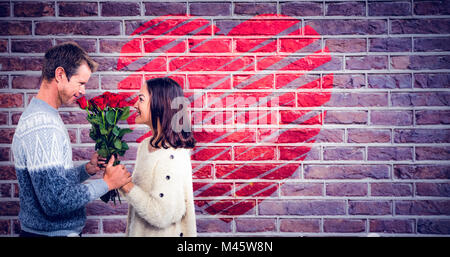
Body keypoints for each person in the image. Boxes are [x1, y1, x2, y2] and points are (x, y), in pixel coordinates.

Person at [11, 42, 132, 237]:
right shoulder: (43, 126)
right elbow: (55, 201)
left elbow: (49, 183)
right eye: (81, 83)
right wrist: (107, 184)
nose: (83, 91)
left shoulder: (45, 116)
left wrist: (86, 170)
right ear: (60, 75)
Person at [119, 77, 197, 237]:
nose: (135, 105)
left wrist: (126, 186)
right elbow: (140, 197)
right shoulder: (146, 145)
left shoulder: (172, 155)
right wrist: (118, 179)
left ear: (160, 104)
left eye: (141, 99)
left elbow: (161, 214)